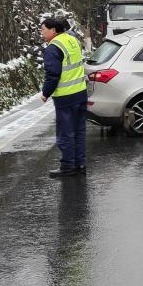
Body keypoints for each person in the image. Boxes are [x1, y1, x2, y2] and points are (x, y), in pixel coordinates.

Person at [40, 16, 87, 178]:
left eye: (43, 30)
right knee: (79, 131)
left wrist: (46, 93)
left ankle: (68, 166)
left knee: (66, 132)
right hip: (81, 92)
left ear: (53, 31)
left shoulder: (53, 48)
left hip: (66, 97)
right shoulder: (72, 40)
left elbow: (52, 74)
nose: (41, 33)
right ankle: (80, 163)